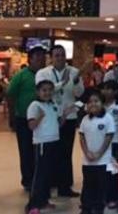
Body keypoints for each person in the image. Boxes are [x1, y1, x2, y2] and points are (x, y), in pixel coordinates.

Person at [35, 44, 85, 197]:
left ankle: (65, 186)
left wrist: (75, 82)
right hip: (50, 117)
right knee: (50, 153)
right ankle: (48, 185)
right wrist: (61, 83)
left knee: (65, 153)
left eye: (62, 55)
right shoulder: (43, 73)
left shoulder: (74, 71)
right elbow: (43, 92)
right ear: (51, 58)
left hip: (68, 117)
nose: (60, 58)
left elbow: (79, 93)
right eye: (56, 55)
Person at [26, 80, 74, 214]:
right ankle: (33, 205)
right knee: (40, 175)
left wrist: (64, 114)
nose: (47, 93)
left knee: (49, 174)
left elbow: (58, 124)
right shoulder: (34, 105)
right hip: (42, 143)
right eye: (44, 90)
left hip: (55, 141)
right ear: (38, 92)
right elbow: (31, 126)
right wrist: (40, 117)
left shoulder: (53, 104)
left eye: (49, 90)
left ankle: (44, 201)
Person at [8, 47, 47, 191]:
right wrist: (12, 117)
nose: (41, 60)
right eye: (37, 57)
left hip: (43, 120)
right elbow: (10, 95)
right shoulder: (21, 75)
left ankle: (41, 178)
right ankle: (28, 180)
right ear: (30, 59)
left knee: (42, 151)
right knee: (26, 151)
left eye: (43, 57)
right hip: (24, 119)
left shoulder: (46, 75)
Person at [79, 90, 115, 214]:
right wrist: (87, 152)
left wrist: (99, 153)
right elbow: (82, 137)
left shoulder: (108, 118)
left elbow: (108, 138)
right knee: (87, 185)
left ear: (102, 103)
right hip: (87, 160)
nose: (93, 104)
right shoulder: (85, 119)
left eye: (96, 101)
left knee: (101, 186)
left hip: (103, 161)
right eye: (89, 102)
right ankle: (86, 208)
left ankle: (98, 208)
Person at [102, 80, 118, 210]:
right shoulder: (100, 106)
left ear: (115, 92)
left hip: (115, 143)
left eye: (110, 89)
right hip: (101, 142)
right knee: (102, 171)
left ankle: (113, 197)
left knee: (113, 172)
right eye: (105, 88)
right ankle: (103, 196)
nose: (106, 91)